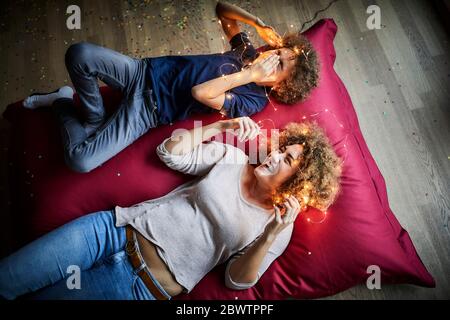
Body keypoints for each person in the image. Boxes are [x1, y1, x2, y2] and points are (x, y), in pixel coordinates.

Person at [0, 117, 342, 300]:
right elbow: (170, 152)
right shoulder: (234, 158)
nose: (273, 155)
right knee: (8, 277)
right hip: (113, 230)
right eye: (281, 149)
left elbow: (236, 280)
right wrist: (220, 127)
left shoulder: (280, 227)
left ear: (300, 183)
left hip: (137, 286)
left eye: (287, 160)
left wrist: (269, 235)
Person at [21, 1, 319, 173]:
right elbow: (221, 10)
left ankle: (62, 102)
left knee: (80, 160)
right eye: (278, 51)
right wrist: (255, 23)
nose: (271, 57)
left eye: (279, 65)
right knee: (79, 54)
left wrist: (250, 75)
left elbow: (201, 93)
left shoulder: (254, 100)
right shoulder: (248, 51)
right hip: (143, 72)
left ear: (283, 87)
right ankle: (94, 121)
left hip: (149, 111)